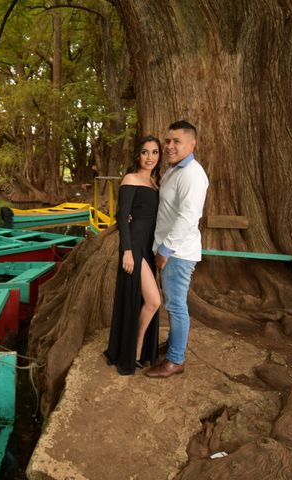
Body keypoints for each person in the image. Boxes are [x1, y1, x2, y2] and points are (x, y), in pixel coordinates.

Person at [145, 120, 208, 379]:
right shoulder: (173, 170)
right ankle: (174, 346)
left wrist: (165, 250)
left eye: (176, 141)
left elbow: (187, 217)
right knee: (172, 303)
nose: (170, 146)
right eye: (168, 141)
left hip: (177, 254)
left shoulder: (192, 174)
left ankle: (175, 360)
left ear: (192, 144)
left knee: (176, 306)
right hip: (169, 250)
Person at [104, 135, 162, 375]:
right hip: (134, 246)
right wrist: (126, 250)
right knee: (154, 301)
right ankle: (134, 352)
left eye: (155, 152)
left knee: (146, 301)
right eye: (145, 152)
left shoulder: (156, 183)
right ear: (137, 155)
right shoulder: (131, 179)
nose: (150, 157)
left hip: (150, 246)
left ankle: (139, 350)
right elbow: (122, 216)